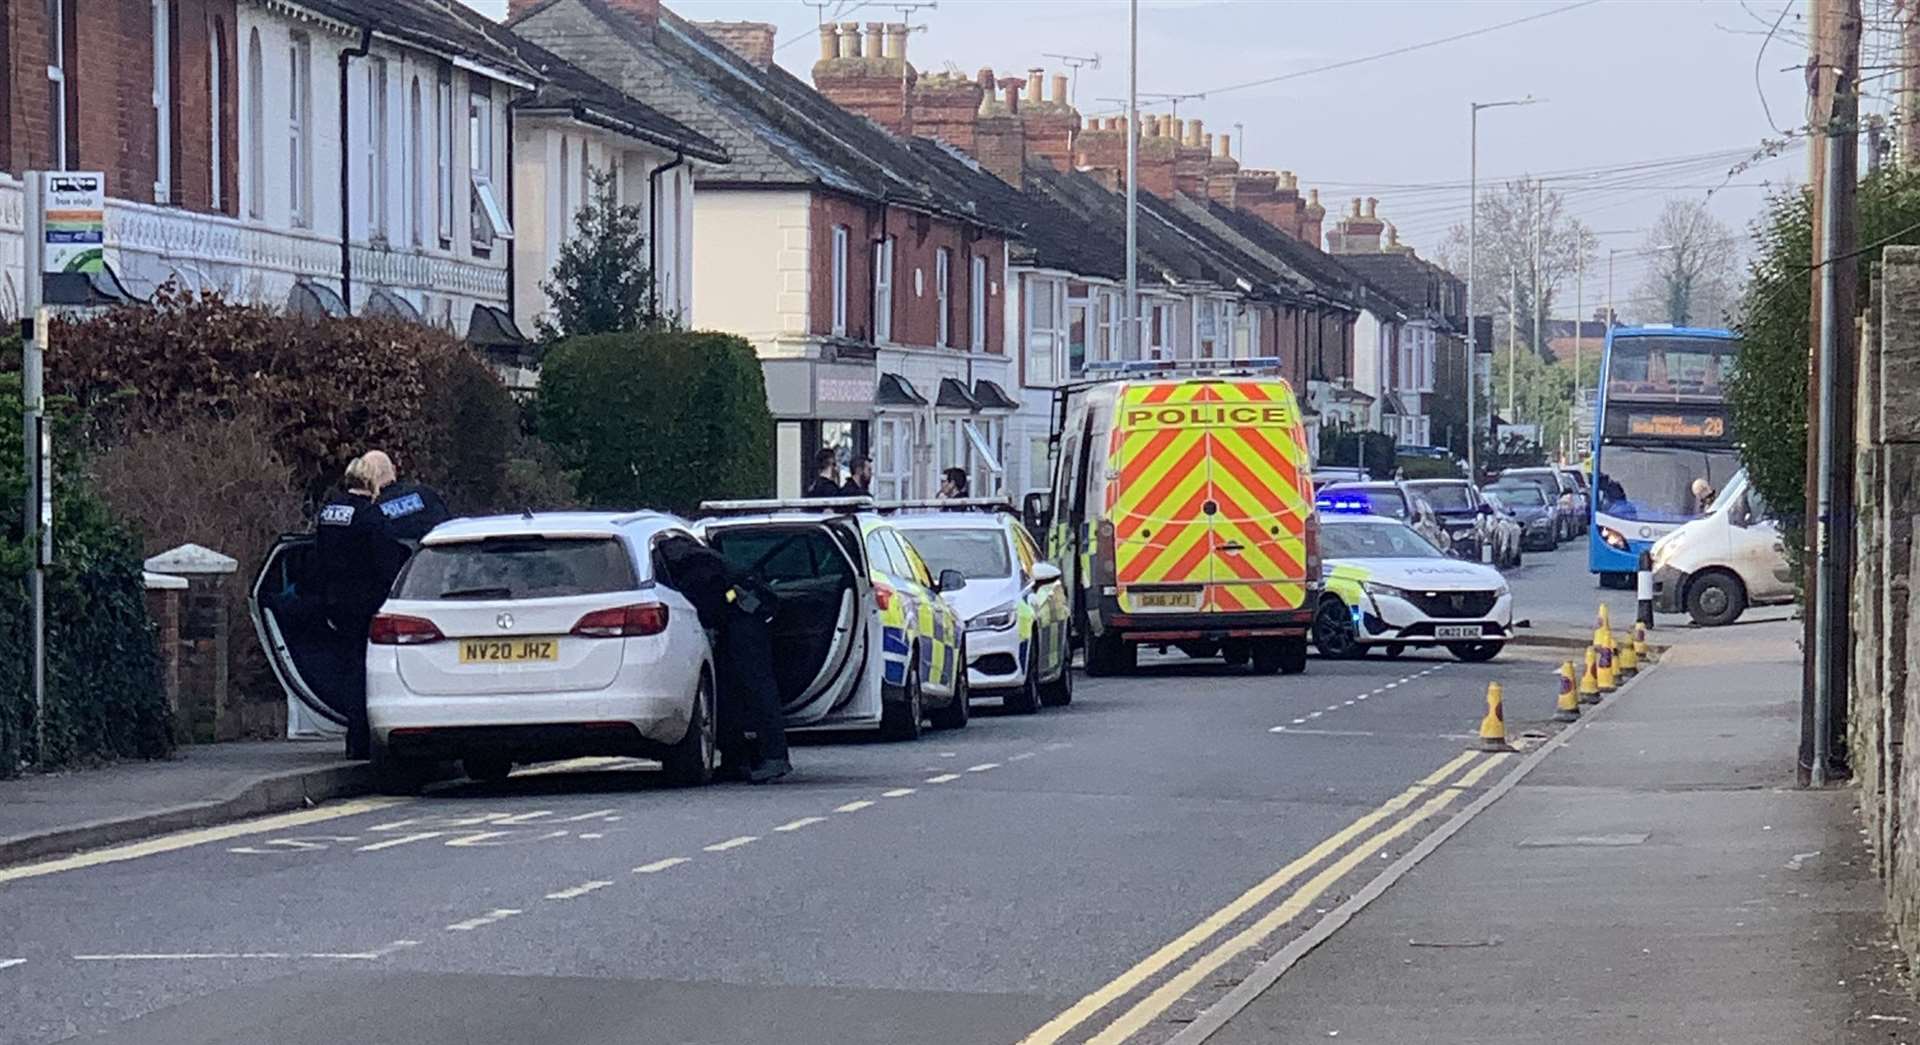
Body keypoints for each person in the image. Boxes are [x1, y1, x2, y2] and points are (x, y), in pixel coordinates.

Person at [653, 533, 790, 783]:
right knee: (730, 689)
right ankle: (739, 759)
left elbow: (706, 603)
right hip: (742, 615)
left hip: (742, 618)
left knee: (756, 687)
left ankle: (774, 758)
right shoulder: (690, 556)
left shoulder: (674, 567)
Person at [313, 454, 391, 759]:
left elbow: (318, 558)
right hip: (365, 604)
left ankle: (351, 739)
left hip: (335, 603)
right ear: (371, 482)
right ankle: (360, 742)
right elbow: (384, 565)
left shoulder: (329, 512)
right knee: (363, 671)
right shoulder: (371, 517)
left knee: (347, 667)